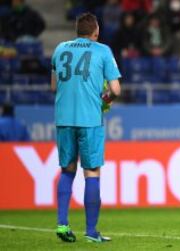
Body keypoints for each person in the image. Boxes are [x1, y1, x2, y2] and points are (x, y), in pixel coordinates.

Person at [51, 12, 121, 243]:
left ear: (77, 30)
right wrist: (105, 99)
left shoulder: (60, 49)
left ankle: (62, 225)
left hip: (63, 119)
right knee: (91, 172)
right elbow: (116, 90)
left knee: (67, 170)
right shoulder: (102, 50)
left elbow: (54, 86)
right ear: (96, 31)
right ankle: (91, 232)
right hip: (89, 119)